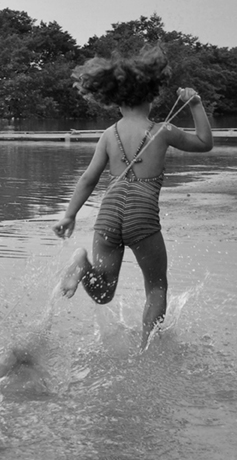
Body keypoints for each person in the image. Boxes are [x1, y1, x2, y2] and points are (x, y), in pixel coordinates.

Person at [52, 46, 213, 349]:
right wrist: (195, 104)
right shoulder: (162, 130)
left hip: (109, 213)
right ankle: (145, 350)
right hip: (141, 215)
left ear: (115, 98)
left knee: (103, 292)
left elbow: (89, 178)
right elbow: (205, 143)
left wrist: (69, 215)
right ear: (152, 96)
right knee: (156, 286)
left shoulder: (108, 134)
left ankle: (81, 264)